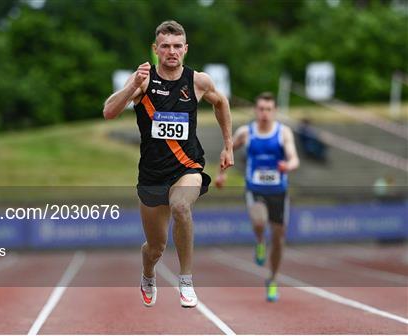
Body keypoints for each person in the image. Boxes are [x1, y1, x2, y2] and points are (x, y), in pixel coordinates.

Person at [103, 20, 234, 308]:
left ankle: (185, 280)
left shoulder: (197, 81)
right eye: (165, 46)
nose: (171, 51)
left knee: (181, 206)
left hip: (188, 167)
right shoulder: (143, 81)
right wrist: (132, 87)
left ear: (185, 49)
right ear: (156, 49)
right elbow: (109, 111)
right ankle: (148, 273)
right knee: (155, 247)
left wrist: (227, 145)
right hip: (152, 174)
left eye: (177, 46)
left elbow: (221, 103)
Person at [215, 92, 299, 302]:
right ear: (256, 110)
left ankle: (272, 279)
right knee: (260, 221)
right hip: (255, 188)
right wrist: (221, 175)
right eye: (261, 109)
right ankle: (260, 241)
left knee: (279, 238)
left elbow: (293, 157)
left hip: (278, 191)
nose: (264, 113)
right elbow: (228, 150)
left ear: (275, 111)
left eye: (268, 109)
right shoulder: (247, 132)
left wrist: (288, 165)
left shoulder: (283, 133)